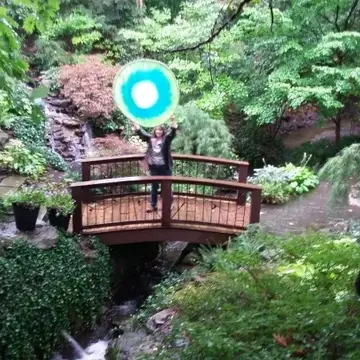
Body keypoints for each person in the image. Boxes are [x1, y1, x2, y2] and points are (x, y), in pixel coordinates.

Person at [132, 116, 178, 212]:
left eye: (160, 130)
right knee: (154, 187)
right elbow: (141, 132)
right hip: (154, 168)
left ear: (163, 131)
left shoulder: (166, 139)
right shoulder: (150, 139)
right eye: (157, 130)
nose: (158, 132)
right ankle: (153, 205)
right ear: (154, 131)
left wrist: (173, 121)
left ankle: (170, 204)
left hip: (165, 168)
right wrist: (134, 122)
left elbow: (173, 132)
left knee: (167, 187)